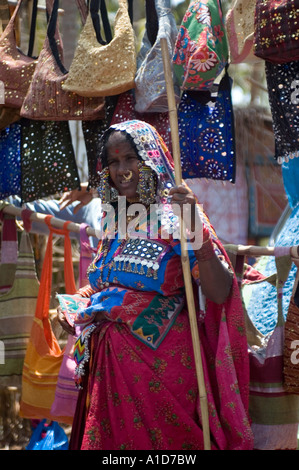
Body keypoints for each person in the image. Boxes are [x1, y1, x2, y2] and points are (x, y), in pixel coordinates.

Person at [57, 119, 254, 450]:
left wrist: (196, 232)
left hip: (162, 376)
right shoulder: (113, 219)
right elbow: (108, 281)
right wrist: (79, 301)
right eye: (114, 161)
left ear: (148, 158)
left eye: (130, 159)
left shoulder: (177, 214)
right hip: (106, 371)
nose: (122, 170)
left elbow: (219, 291)